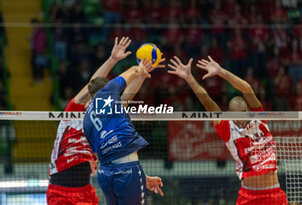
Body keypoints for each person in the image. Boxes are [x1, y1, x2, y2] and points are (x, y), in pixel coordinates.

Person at [168, 56, 288, 205]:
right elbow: (208, 102)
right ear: (230, 113)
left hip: (274, 194)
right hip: (249, 197)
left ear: (248, 109)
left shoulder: (259, 118)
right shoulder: (227, 129)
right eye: (236, 114)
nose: (242, 117)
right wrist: (190, 78)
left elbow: (246, 89)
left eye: (244, 111)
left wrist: (221, 72)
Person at [47, 37, 133, 205]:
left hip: (86, 192)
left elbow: (127, 99)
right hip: (60, 190)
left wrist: (141, 73)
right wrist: (112, 59)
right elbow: (90, 86)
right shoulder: (73, 113)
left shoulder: (106, 121)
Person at [83, 59, 165, 205]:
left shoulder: (87, 120)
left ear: (90, 95)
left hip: (105, 174)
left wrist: (142, 178)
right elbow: (133, 71)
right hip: (127, 171)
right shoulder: (108, 93)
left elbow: (98, 154)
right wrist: (141, 69)